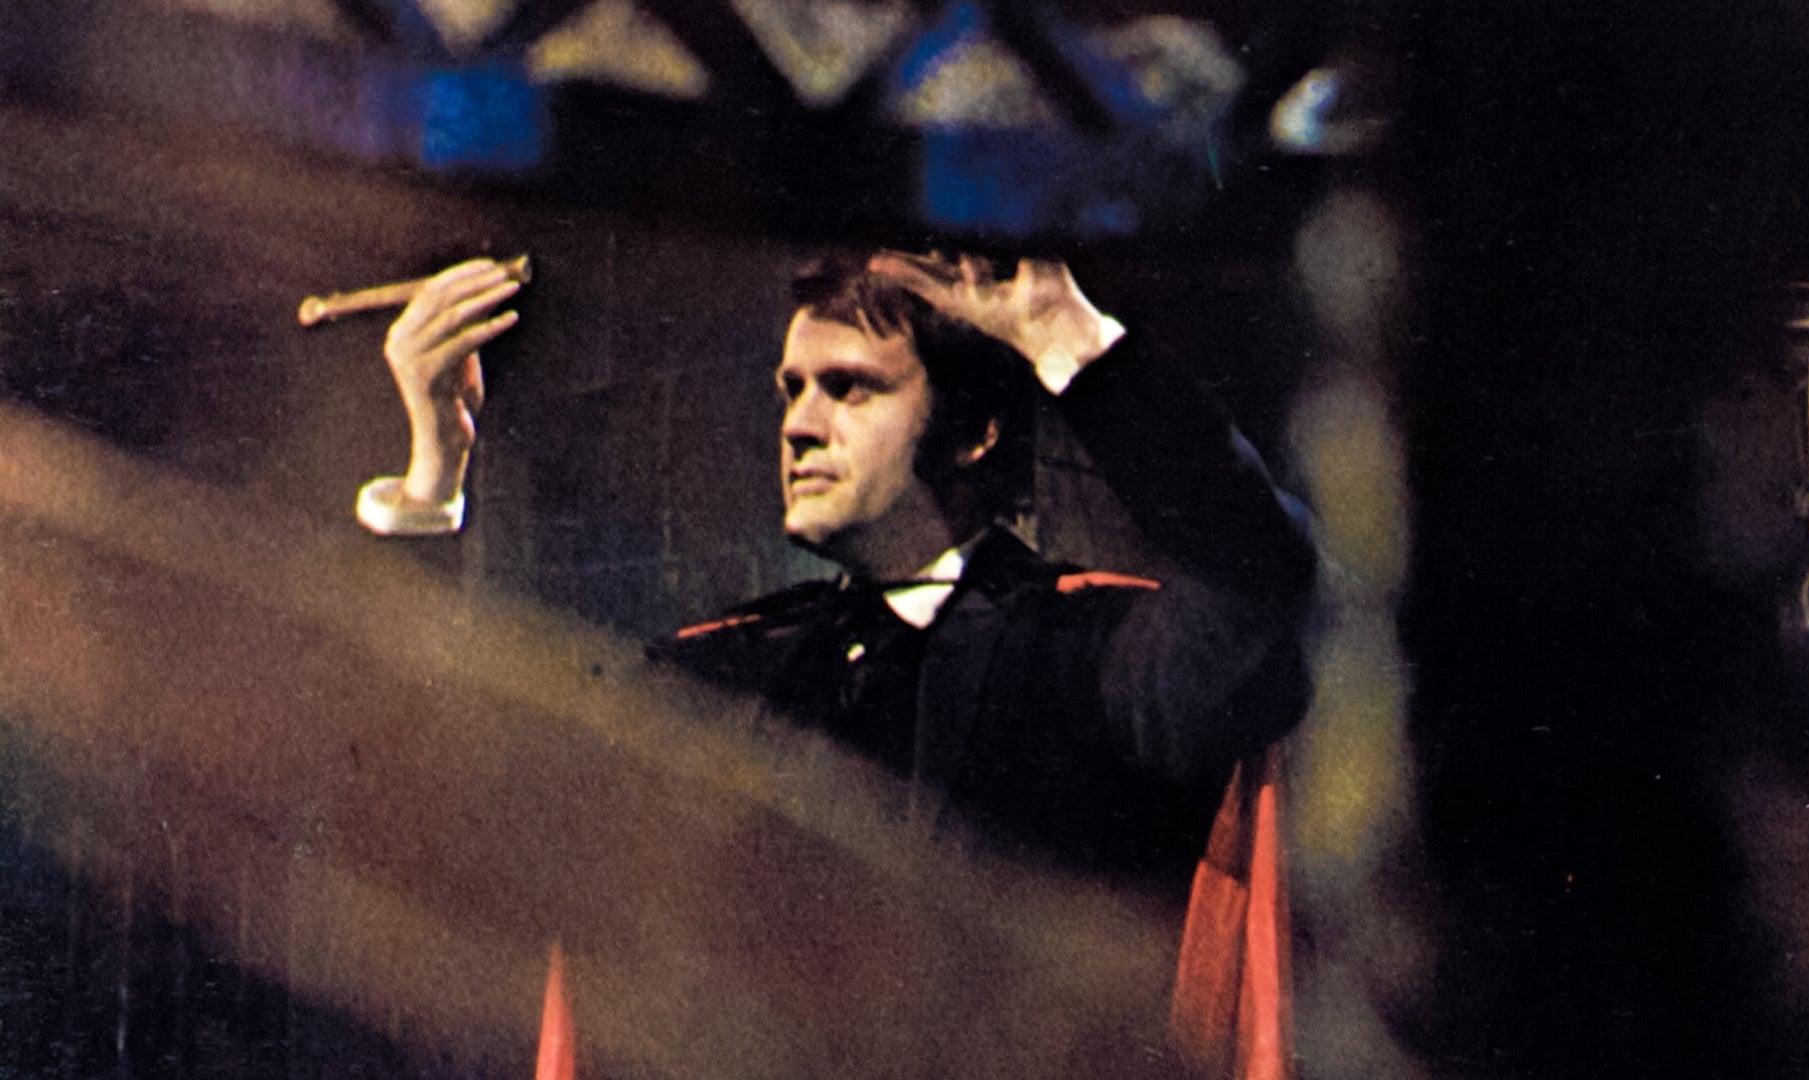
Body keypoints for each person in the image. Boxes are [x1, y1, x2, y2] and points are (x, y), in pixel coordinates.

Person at [371, 248, 1316, 1073]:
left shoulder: (1095, 653)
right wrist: (433, 478)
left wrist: (1066, 337)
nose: (799, 424)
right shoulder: (718, 676)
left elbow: (1260, 580)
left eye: (851, 388)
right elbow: (455, 810)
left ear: (975, 431)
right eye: (793, 389)